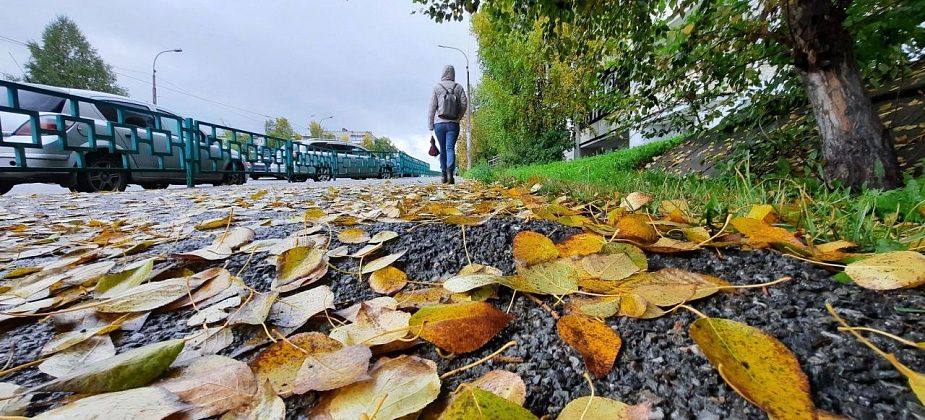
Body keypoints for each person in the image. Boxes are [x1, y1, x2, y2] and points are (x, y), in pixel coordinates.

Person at [428, 65, 468, 184]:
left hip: (439, 124)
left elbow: (432, 107)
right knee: (450, 148)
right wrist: (458, 117)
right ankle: (451, 173)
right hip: (453, 124)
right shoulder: (458, 87)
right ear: (453, 74)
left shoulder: (437, 87)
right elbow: (464, 104)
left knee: (443, 149)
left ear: (443, 73)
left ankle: (443, 175)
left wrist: (430, 124)